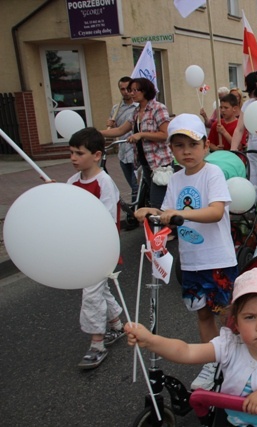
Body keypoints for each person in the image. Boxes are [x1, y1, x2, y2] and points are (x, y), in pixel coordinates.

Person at [124, 266, 257, 426]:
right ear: (235, 322)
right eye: (250, 317)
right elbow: (186, 352)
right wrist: (150, 341)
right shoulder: (229, 346)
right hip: (234, 421)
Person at [134, 113, 238, 391]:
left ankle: (236, 360)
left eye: (192, 144)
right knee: (203, 314)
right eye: (179, 146)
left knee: (227, 314)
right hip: (191, 261)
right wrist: (150, 211)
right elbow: (168, 212)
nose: (186, 151)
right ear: (172, 150)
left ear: (205, 145)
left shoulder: (212, 173)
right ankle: (212, 361)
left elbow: (216, 212)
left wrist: (177, 213)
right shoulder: (176, 179)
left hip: (218, 258)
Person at [66, 127, 125, 369]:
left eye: (79, 153)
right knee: (98, 289)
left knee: (91, 293)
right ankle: (116, 325)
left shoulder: (104, 182)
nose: (73, 158)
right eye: (71, 152)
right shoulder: (71, 182)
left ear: (97, 155)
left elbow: (107, 218)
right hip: (83, 247)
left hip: (101, 248)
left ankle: (97, 343)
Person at [101, 77, 172, 208]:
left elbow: (165, 134)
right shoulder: (135, 112)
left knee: (158, 203)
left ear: (145, 91)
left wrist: (142, 134)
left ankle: (163, 226)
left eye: (135, 90)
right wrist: (97, 133)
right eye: (130, 90)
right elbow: (120, 130)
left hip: (159, 163)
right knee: (150, 199)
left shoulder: (158, 108)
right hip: (144, 164)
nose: (131, 93)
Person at [107, 76, 138, 202]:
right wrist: (111, 124)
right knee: (132, 185)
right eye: (122, 89)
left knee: (136, 186)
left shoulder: (138, 107)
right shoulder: (116, 109)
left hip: (135, 152)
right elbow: (117, 130)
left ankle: (137, 211)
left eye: (128, 89)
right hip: (123, 153)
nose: (125, 92)